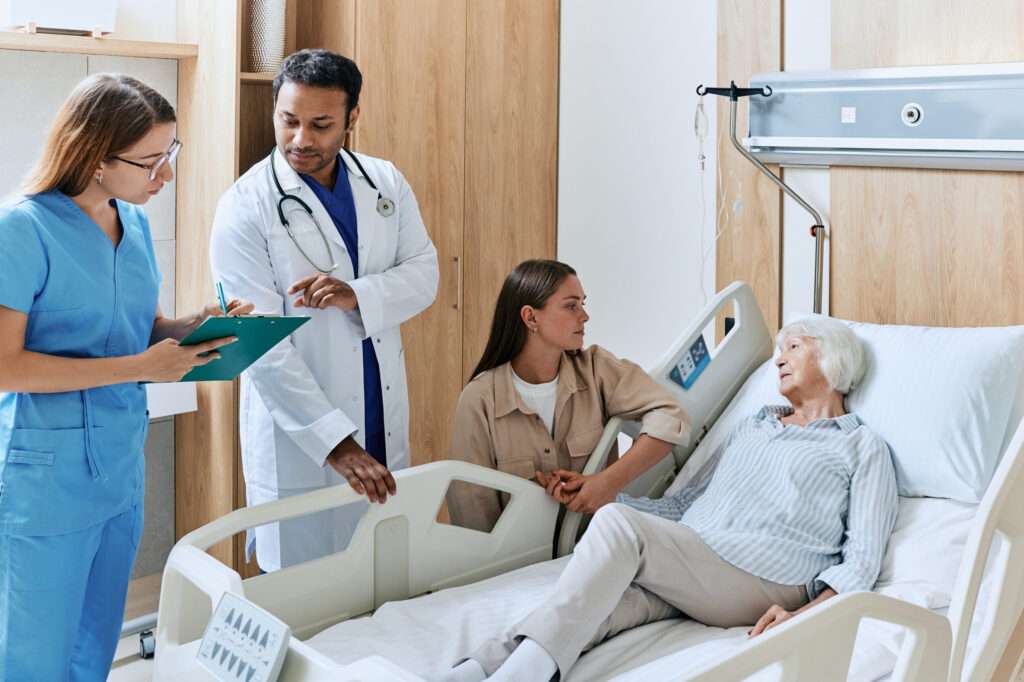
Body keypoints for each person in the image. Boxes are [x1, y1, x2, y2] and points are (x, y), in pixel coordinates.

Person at [440, 316, 899, 682]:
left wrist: (803, 615)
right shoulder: (755, 425)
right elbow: (688, 504)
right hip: (701, 565)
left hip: (771, 577)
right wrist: (599, 498)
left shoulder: (859, 446)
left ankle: (524, 677)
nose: (780, 358)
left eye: (794, 347)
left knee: (620, 527)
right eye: (778, 350)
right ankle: (481, 668)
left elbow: (861, 560)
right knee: (596, 603)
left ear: (835, 356)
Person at [0, 74, 250, 680]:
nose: (164, 176)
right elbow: (6, 366)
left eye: (171, 154)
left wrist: (189, 326)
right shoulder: (20, 230)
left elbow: (131, 328)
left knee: (94, 649)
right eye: (150, 162)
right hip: (46, 479)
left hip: (117, 469)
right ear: (95, 157)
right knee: (35, 659)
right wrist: (141, 368)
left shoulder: (132, 225)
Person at [210, 49, 439, 571]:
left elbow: (425, 275)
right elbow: (257, 341)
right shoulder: (244, 206)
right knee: (302, 586)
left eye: (320, 124)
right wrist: (334, 444)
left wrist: (357, 293)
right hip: (302, 435)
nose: (300, 140)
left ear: (352, 118)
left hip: (378, 410)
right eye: (288, 121)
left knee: (381, 577)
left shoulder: (385, 182)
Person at [446, 259, 689, 533]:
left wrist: (608, 482)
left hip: (598, 544)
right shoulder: (480, 400)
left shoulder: (597, 370)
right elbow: (472, 513)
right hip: (514, 565)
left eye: (582, 304)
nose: (584, 316)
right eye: (571, 306)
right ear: (531, 317)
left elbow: (671, 416)